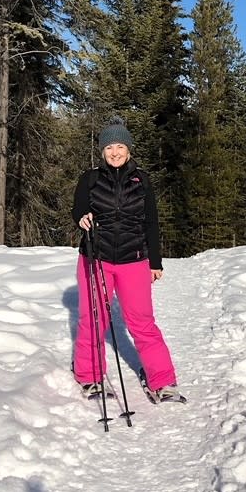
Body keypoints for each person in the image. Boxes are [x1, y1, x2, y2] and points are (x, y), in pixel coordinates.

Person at [71, 115, 179, 401]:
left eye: (119, 146)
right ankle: (90, 375)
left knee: (142, 321)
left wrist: (155, 262)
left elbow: (151, 222)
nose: (114, 152)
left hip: (134, 259)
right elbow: (78, 209)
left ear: (128, 149)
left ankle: (162, 381)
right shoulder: (90, 178)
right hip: (97, 258)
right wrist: (82, 218)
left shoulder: (141, 180)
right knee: (93, 318)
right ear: (102, 151)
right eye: (109, 148)